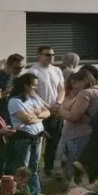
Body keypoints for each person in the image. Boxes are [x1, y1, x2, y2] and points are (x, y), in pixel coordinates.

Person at [55, 67, 98, 187]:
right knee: (91, 172)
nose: (73, 85)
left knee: (77, 174)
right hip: (94, 135)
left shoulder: (86, 93)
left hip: (79, 136)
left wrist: (58, 110)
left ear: (85, 80)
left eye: (76, 82)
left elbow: (74, 116)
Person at [6, 73, 51, 195]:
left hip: (38, 137)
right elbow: (26, 119)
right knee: (22, 169)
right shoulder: (14, 101)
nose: (35, 88)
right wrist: (38, 115)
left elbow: (47, 112)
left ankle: (36, 193)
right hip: (23, 138)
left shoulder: (33, 98)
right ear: (25, 85)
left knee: (34, 167)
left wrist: (36, 114)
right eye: (33, 86)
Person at [28, 45, 65, 181]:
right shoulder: (33, 71)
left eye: (53, 55)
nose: (51, 57)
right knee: (38, 142)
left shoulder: (57, 70)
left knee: (54, 141)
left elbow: (61, 89)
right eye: (47, 54)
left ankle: (49, 168)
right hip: (41, 112)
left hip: (55, 111)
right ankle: (34, 170)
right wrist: (47, 107)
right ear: (39, 55)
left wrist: (58, 104)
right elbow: (33, 93)